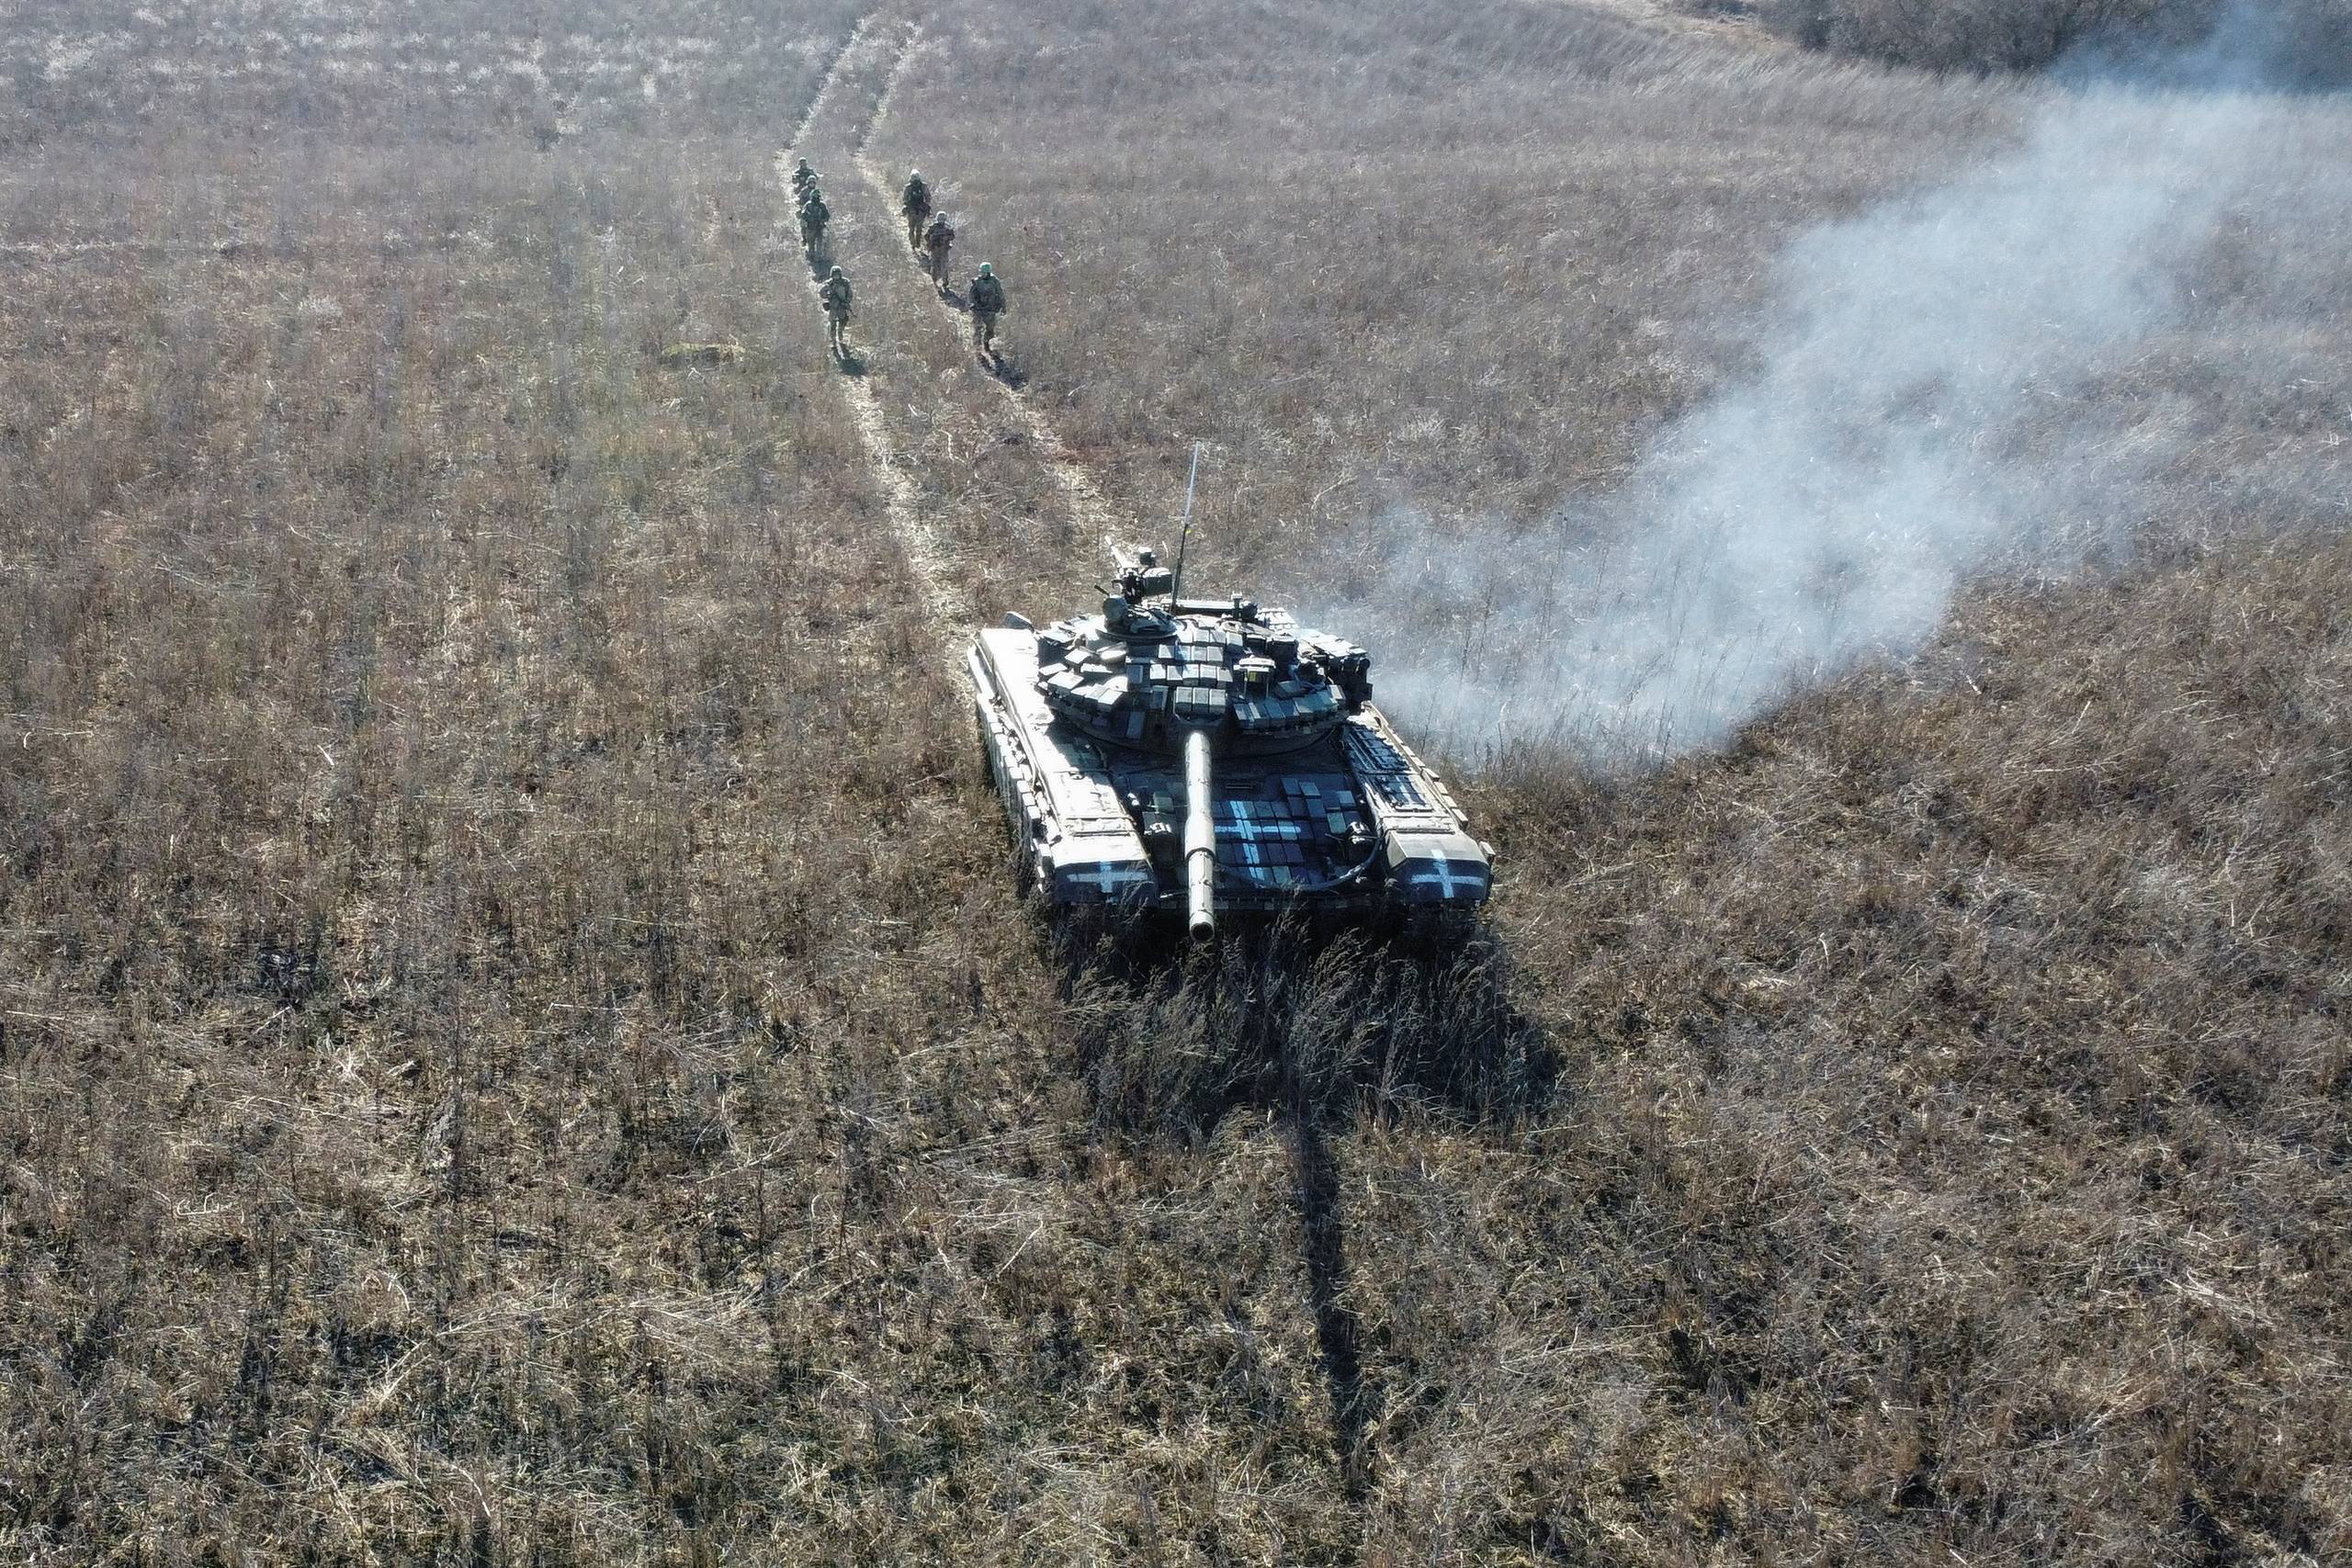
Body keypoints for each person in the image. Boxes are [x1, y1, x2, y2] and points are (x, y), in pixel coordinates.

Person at [967, 261, 1005, 356]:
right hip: (978, 309)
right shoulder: (977, 282)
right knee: (977, 329)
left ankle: (986, 343)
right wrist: (975, 305)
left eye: (984, 273)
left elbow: (1000, 294)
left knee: (990, 330)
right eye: (981, 272)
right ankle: (977, 350)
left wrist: (1003, 306)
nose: (982, 274)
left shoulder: (994, 281)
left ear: (988, 272)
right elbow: (971, 295)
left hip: (990, 309)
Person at [820, 265, 853, 356]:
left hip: (842, 306)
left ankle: (840, 337)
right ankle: (833, 341)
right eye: (835, 275)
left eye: (838, 274)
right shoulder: (829, 284)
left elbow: (850, 294)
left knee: (842, 322)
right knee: (833, 324)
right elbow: (822, 293)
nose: (836, 276)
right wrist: (828, 296)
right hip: (833, 307)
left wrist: (846, 302)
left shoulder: (845, 283)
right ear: (832, 275)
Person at [922, 210, 956, 290]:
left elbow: (952, 236)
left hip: (943, 250)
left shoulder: (946, 227)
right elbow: (926, 236)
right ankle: (937, 280)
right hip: (936, 249)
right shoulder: (934, 227)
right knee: (936, 265)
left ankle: (944, 281)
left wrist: (945, 238)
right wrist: (931, 243)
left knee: (942, 265)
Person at [899, 169, 931, 251]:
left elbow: (904, 199)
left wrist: (907, 206)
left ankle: (913, 243)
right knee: (918, 228)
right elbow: (928, 197)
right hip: (919, 211)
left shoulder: (908, 187)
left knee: (911, 228)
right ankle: (917, 244)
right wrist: (926, 206)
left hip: (912, 210)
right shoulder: (923, 186)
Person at [798, 188, 830, 257]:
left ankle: (819, 257)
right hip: (810, 226)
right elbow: (803, 215)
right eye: (814, 196)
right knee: (810, 244)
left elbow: (827, 215)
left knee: (820, 243)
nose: (816, 198)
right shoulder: (808, 205)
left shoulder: (822, 205)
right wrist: (810, 218)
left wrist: (822, 220)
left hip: (820, 227)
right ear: (812, 197)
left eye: (817, 196)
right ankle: (811, 255)